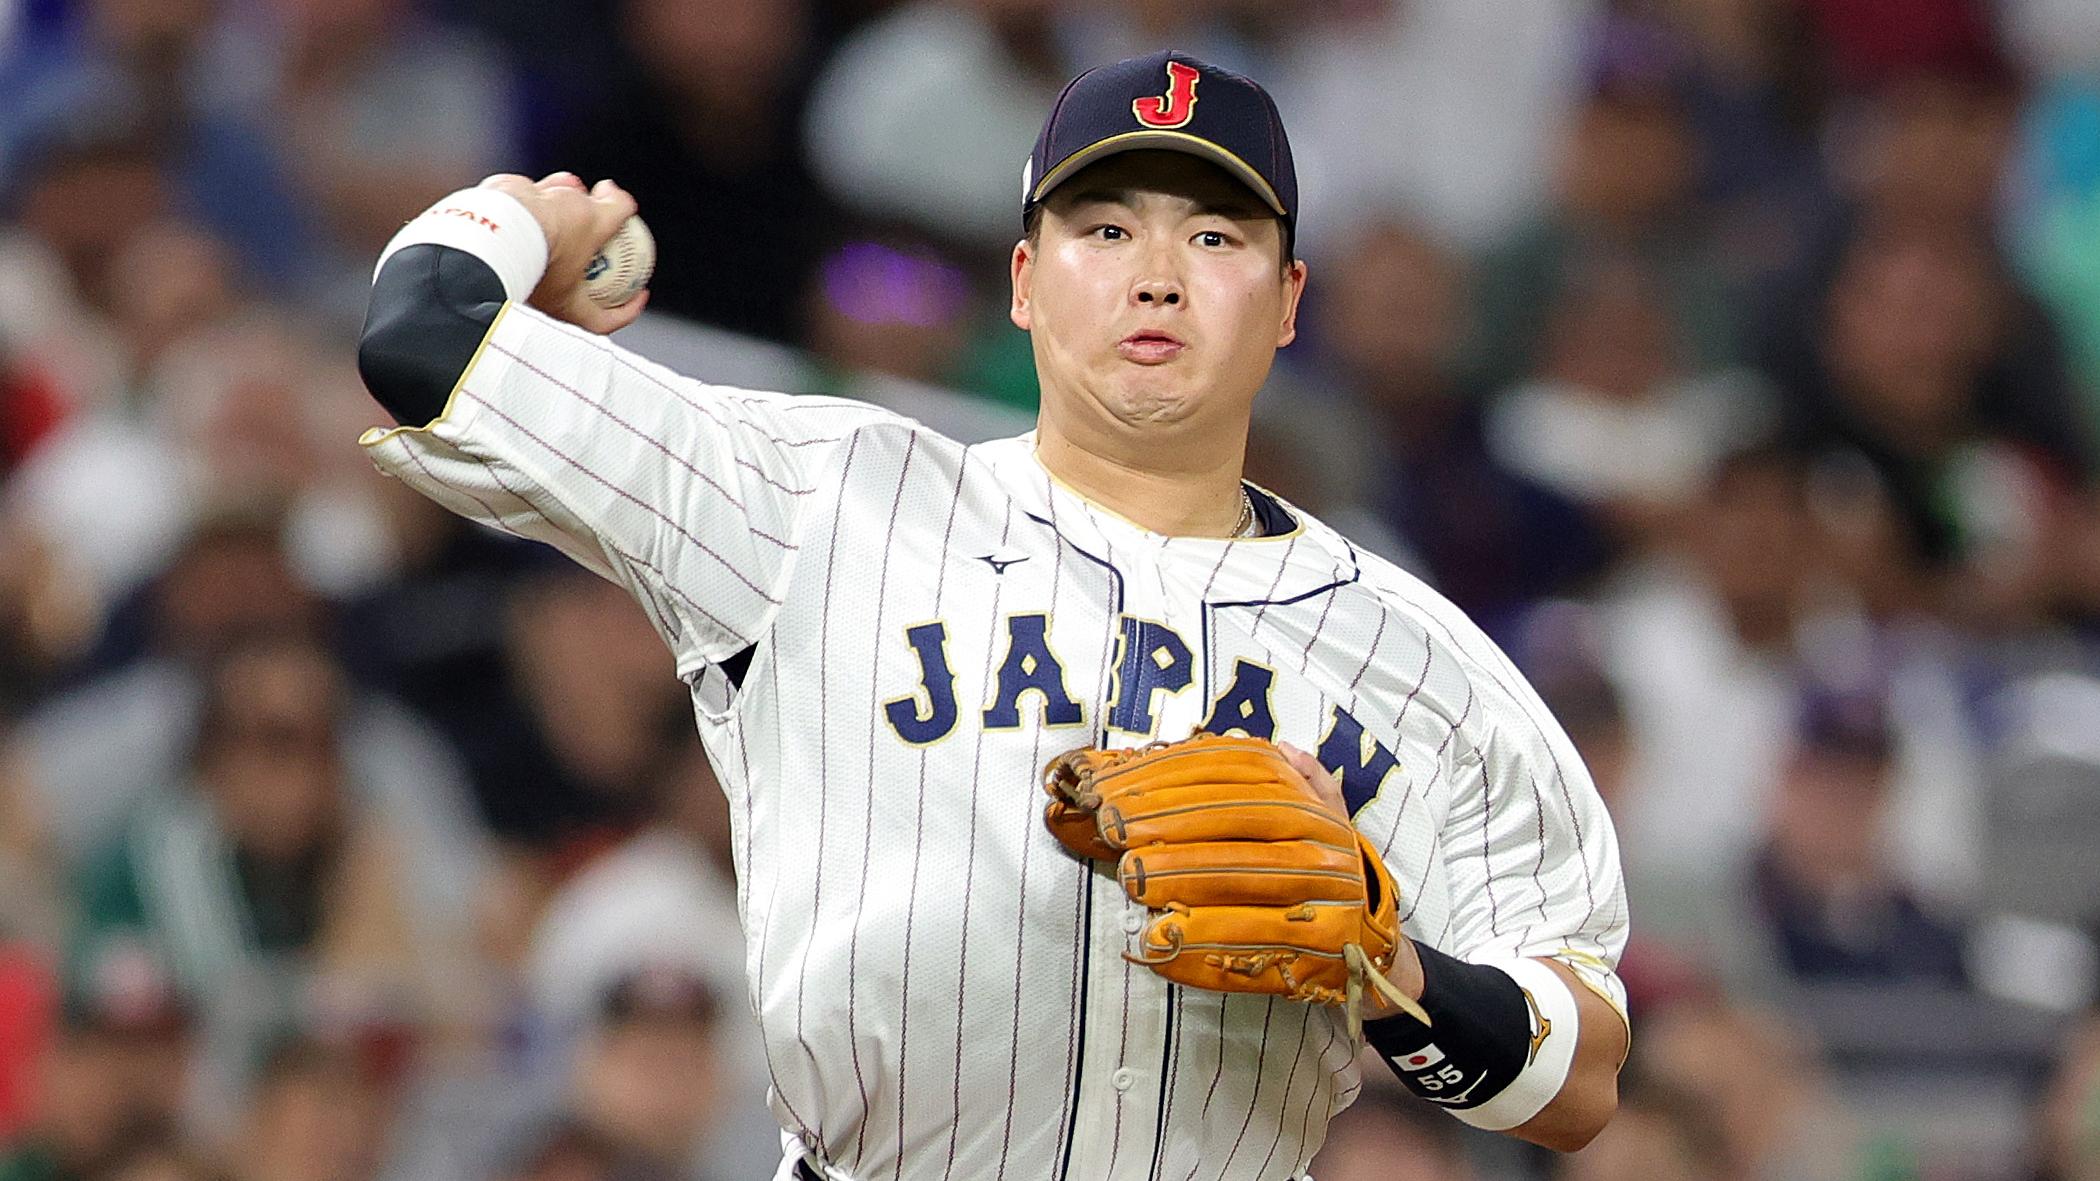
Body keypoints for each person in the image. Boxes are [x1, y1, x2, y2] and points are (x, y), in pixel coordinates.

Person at [353, 50, 1630, 1180]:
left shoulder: (1418, 655)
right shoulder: (816, 499)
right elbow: (421, 343)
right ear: (1024, 280)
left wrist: (1391, 962)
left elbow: (1577, 1074)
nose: (1158, 278)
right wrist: (527, 215)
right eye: (1106, 229)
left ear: (1291, 299)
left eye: (1214, 238)